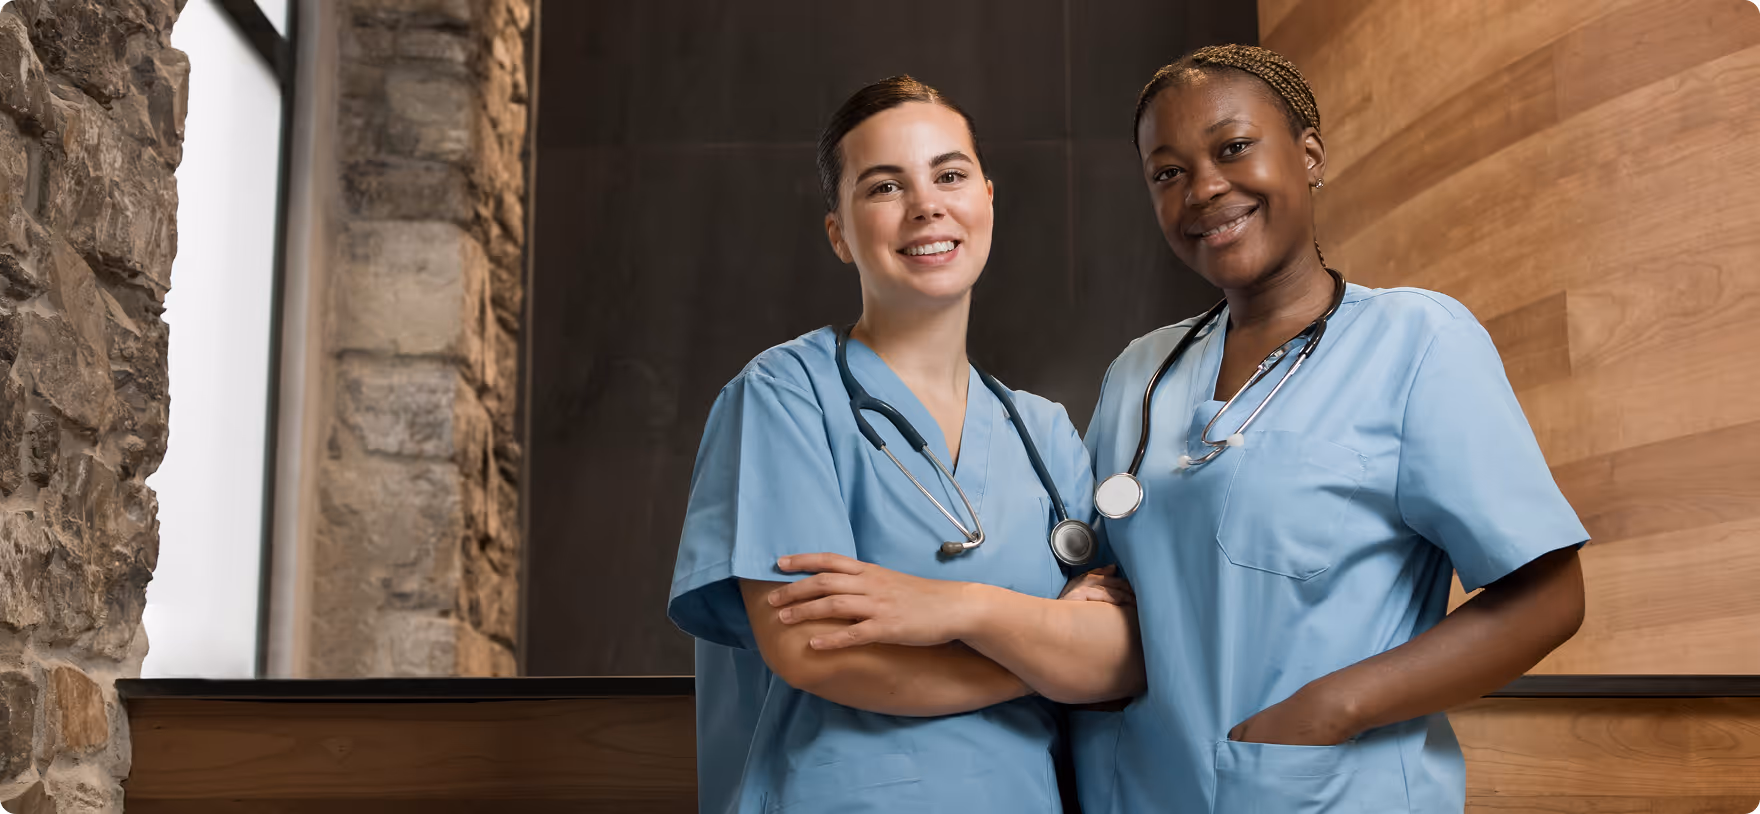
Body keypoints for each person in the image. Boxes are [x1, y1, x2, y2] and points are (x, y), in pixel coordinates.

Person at [775, 45, 1589, 813]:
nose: (1203, 189)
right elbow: (1094, 601)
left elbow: (1545, 596)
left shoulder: (1415, 342)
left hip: (1315, 787)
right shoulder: (1141, 373)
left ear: (1309, 155)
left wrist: (1330, 710)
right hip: (1128, 787)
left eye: (1233, 148)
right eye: (1168, 172)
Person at [666, 76, 1143, 814]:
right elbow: (812, 649)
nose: (927, 205)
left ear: (987, 197)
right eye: (885, 186)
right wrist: (1042, 659)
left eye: (949, 175)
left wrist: (960, 610)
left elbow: (1120, 659)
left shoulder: (1045, 434)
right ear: (838, 232)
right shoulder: (787, 394)